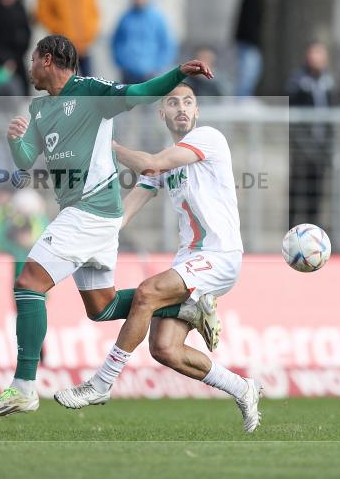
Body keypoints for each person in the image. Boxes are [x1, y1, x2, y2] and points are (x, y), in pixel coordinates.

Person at [0, 35, 217, 417]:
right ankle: (182, 306)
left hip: (91, 210)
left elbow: (139, 92)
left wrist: (177, 74)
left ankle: (23, 387)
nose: (29, 67)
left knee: (28, 284)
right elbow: (25, 161)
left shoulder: (90, 92)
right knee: (101, 308)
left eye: (33, 59)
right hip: (89, 216)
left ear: (49, 60)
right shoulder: (40, 109)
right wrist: (14, 141)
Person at [53, 82, 261, 433]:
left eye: (189, 102)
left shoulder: (208, 138)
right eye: (173, 102)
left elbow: (149, 162)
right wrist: (89, 235)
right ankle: (242, 388)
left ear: (197, 112)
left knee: (147, 293)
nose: (182, 107)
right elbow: (127, 209)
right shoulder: (167, 161)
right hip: (190, 259)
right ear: (161, 112)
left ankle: (101, 384)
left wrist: (108, 144)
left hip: (220, 255)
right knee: (164, 348)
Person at [286, 42, 334, 229]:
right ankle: (292, 231)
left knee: (317, 192)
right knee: (297, 191)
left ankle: (314, 232)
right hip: (302, 147)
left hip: (321, 146)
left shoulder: (328, 82)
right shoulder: (298, 81)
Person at [35, 0, 100, 77]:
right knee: (64, 84)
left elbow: (94, 12)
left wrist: (91, 32)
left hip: (84, 46)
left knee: (89, 85)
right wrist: (58, 28)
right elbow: (42, 13)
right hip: (62, 47)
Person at [111, 0, 176, 84]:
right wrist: (122, 62)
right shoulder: (126, 17)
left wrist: (158, 67)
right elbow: (116, 42)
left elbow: (167, 44)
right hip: (128, 72)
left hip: (150, 73)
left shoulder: (157, 18)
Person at [233, 0, 274, 97]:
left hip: (250, 42)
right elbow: (249, 24)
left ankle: (245, 96)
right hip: (248, 42)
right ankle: (242, 98)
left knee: (252, 70)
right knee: (248, 71)